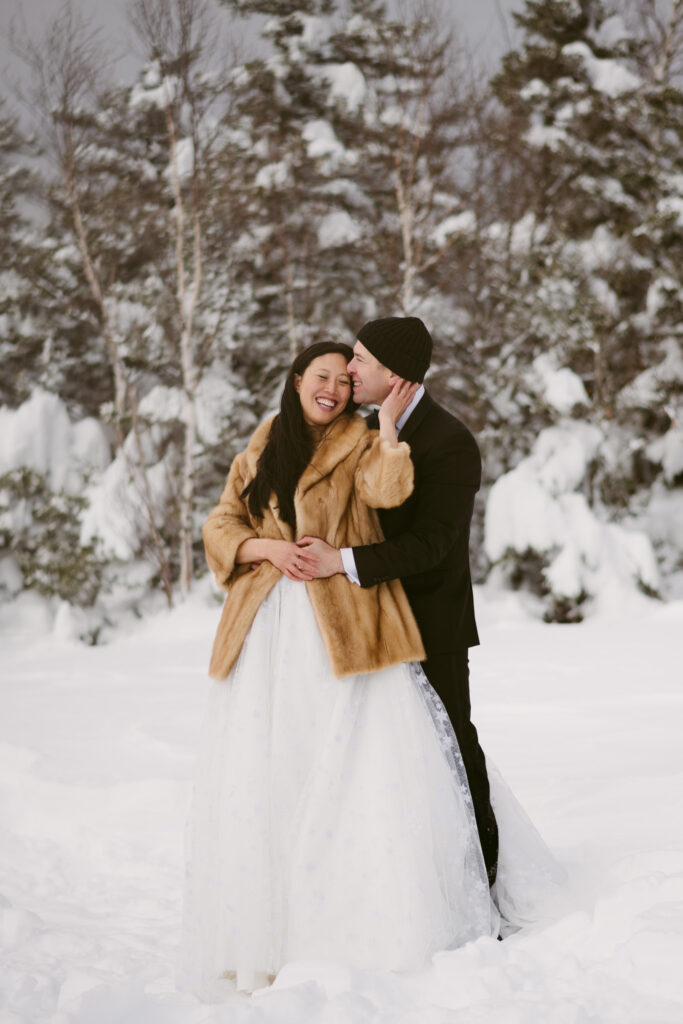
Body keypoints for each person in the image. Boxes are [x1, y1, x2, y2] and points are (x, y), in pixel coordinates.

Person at [179, 341, 501, 1001]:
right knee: (273, 767)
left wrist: (386, 434)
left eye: (341, 379)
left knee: (352, 766)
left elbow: (389, 493)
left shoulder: (360, 438)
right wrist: (261, 546)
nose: (332, 387)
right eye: (320, 376)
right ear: (296, 381)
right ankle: (270, 932)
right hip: (270, 629)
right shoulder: (267, 438)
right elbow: (221, 520)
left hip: (340, 625)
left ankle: (359, 924)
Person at [297, 317, 499, 885]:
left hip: (430, 622)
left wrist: (343, 562)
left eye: (361, 360)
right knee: (376, 754)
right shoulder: (357, 430)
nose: (349, 369)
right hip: (367, 624)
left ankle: (480, 877)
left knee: (451, 746)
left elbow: (433, 545)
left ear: (396, 374)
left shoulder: (449, 440)